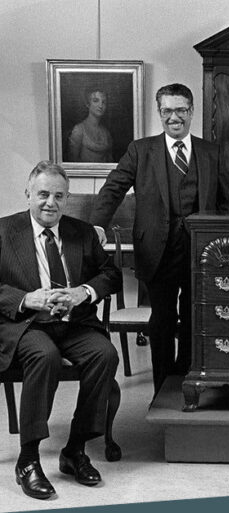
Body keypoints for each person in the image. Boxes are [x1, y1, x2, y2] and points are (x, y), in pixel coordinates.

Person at [91, 83, 229, 393]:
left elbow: (226, 203)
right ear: (159, 113)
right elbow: (114, 188)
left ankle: (186, 379)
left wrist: (224, 245)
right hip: (157, 250)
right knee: (162, 319)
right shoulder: (140, 150)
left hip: (200, 251)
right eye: (167, 111)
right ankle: (162, 388)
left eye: (181, 110)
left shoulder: (210, 152)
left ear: (191, 112)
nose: (174, 117)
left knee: (195, 318)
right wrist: (98, 225)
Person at [0, 161, 121, 499]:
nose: (50, 203)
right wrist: (26, 299)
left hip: (73, 323)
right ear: (28, 194)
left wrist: (83, 292)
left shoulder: (82, 232)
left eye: (59, 196)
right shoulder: (4, 232)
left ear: (67, 199)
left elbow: (110, 274)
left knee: (105, 354)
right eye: (43, 194)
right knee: (45, 355)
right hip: (26, 324)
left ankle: (75, 450)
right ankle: (28, 460)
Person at [67, 90, 113, 163]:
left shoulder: (106, 133)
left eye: (103, 102)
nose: (100, 106)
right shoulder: (79, 130)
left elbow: (110, 162)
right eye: (96, 101)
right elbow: (72, 161)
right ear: (87, 104)